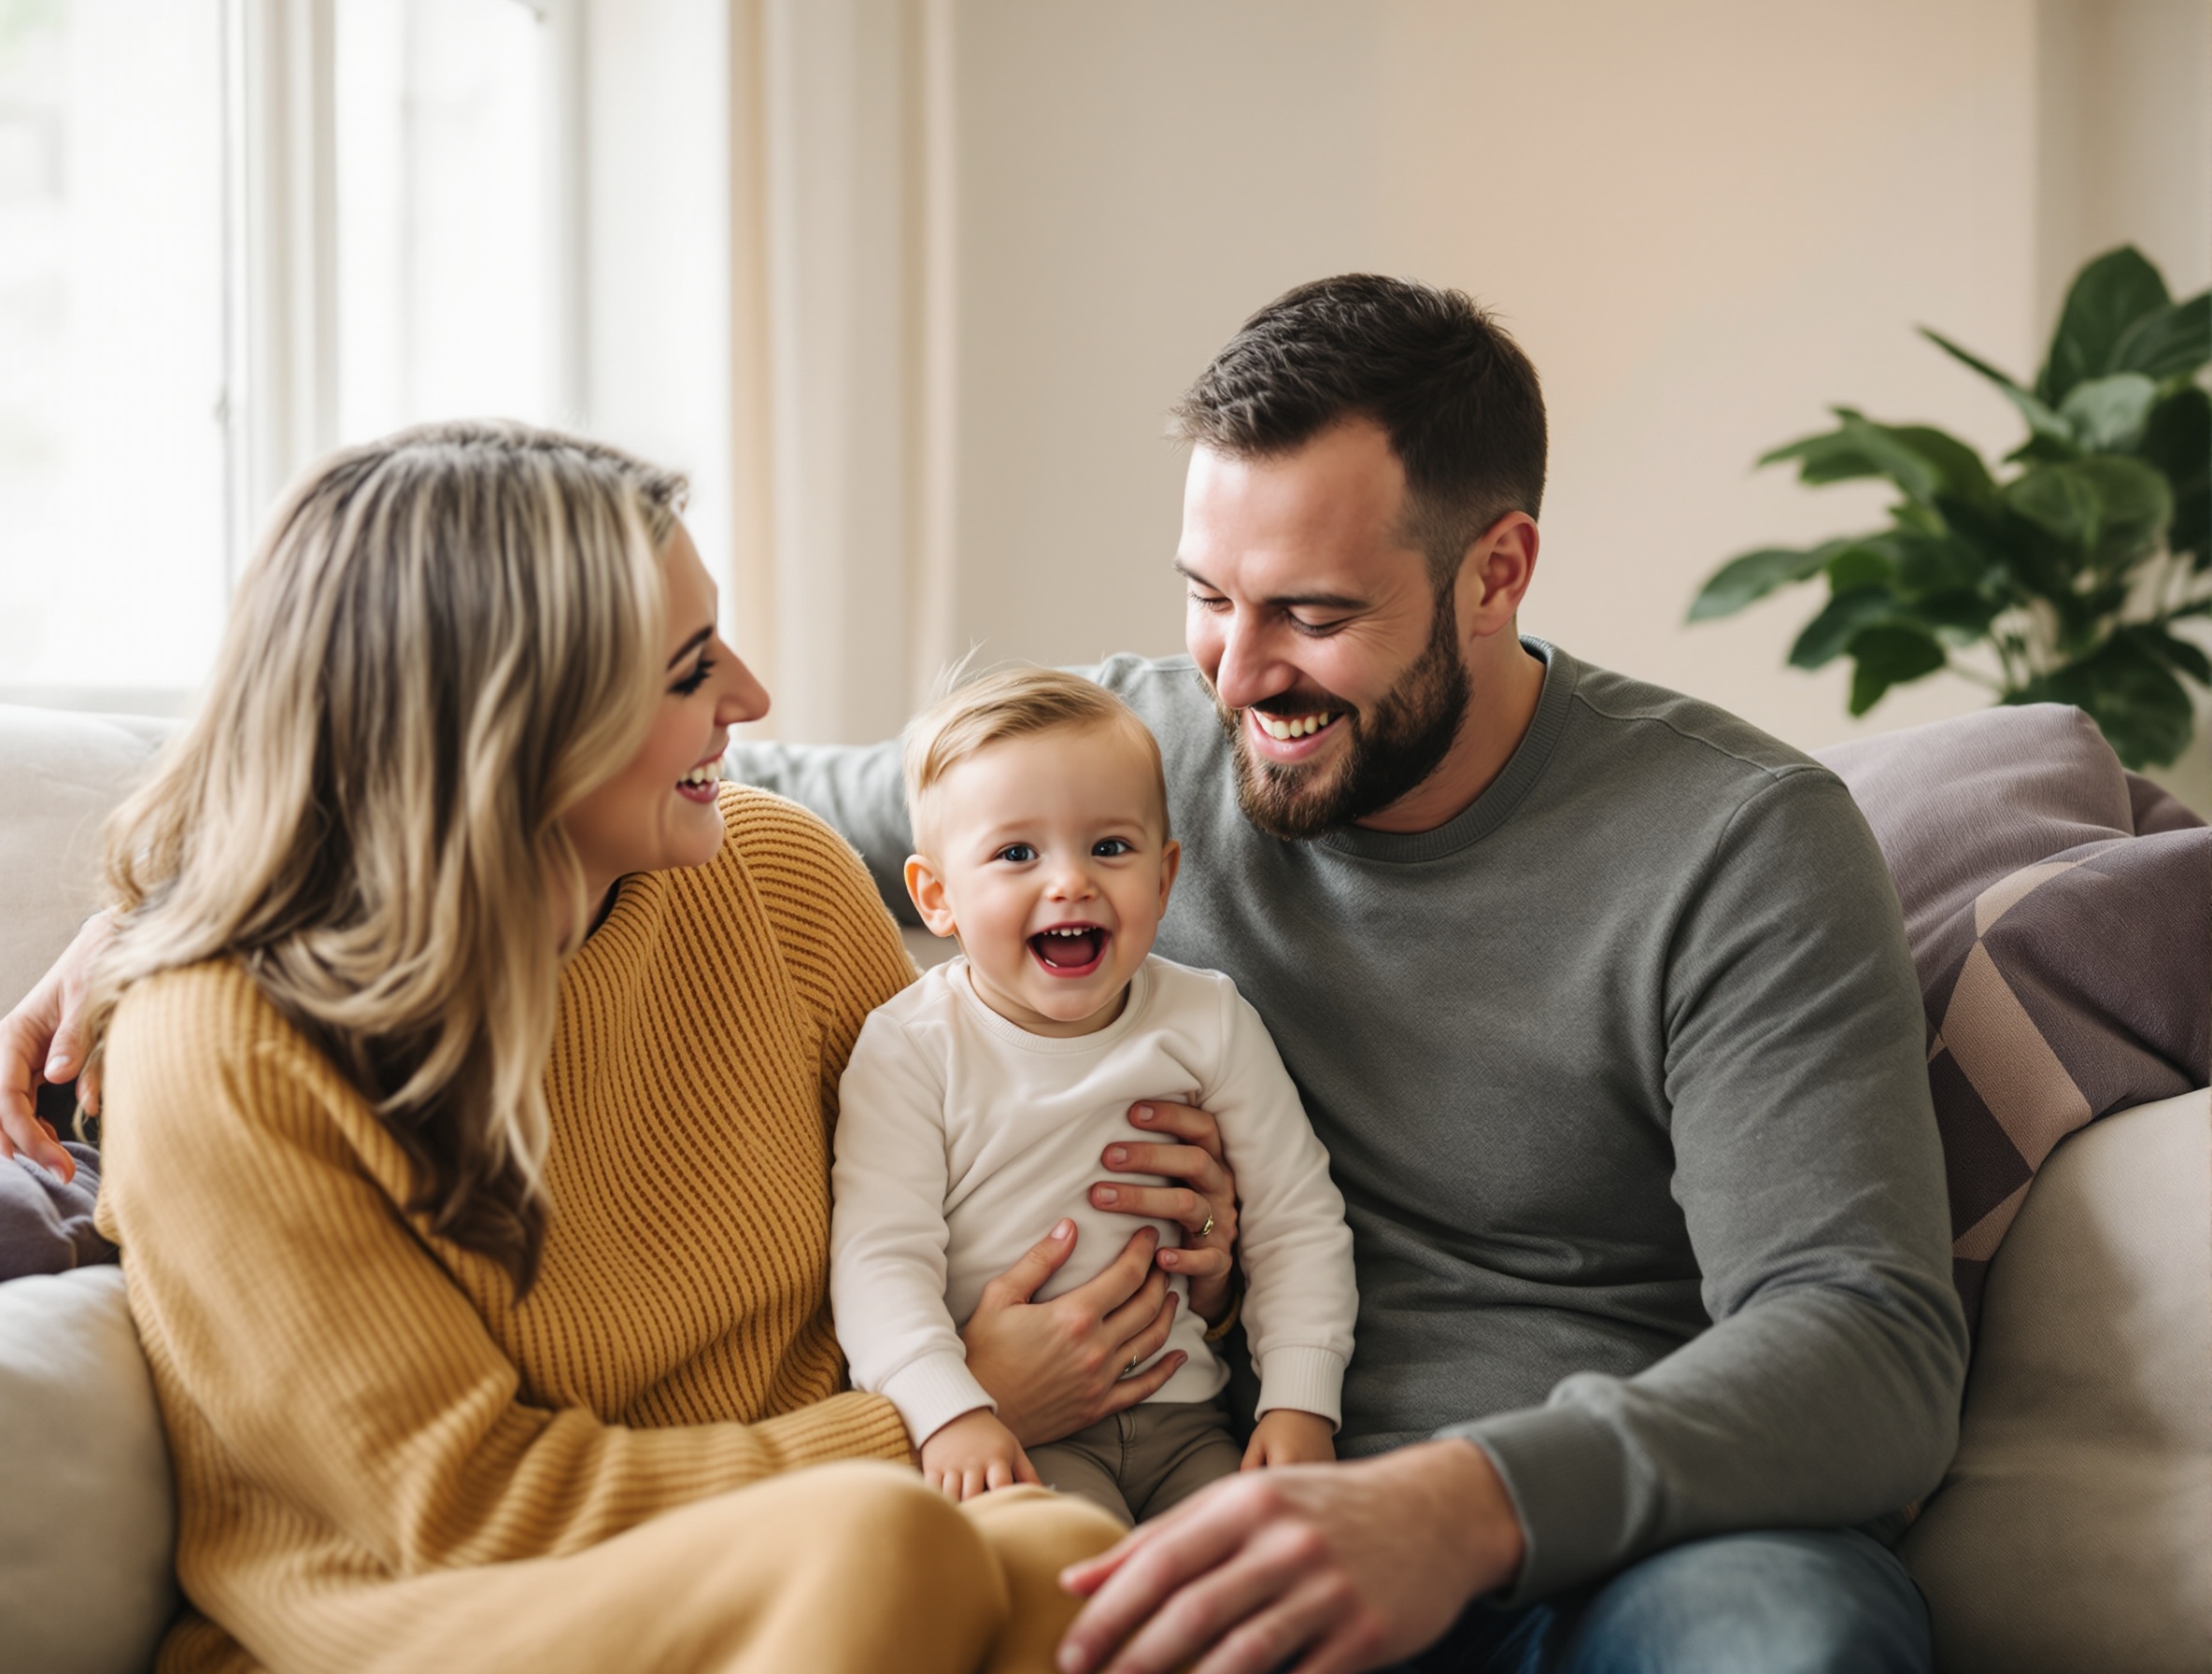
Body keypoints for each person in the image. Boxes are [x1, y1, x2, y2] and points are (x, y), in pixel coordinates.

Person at [700, 277, 1970, 1672]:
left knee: (1792, 1645)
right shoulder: (1124, 772)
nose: (1239, 676)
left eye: (1311, 613)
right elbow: (728, 789)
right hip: (1215, 1510)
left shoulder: (1736, 846)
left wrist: (1463, 1503)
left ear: (1496, 573)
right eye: (1206, 597)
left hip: (1620, 1548)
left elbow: (1870, 1346)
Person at [39, 421, 1178, 1674]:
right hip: (427, 1619)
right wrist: (915, 1428)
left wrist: (1174, 1238)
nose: (751, 696)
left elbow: (963, 1215)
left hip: (824, 1555)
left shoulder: (779, 876)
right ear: (513, 726)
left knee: (1053, 1553)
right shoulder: (225, 1045)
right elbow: (461, 1513)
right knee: (887, 1544)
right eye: (691, 669)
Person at [830, 666, 1357, 1523]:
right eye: (1015, 854)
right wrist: (948, 1411)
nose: (1070, 881)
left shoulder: (1208, 1021)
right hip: (1021, 1436)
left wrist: (1300, 1400)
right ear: (936, 897)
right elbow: (878, 1261)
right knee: (1082, 1595)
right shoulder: (912, 1048)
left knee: (1260, 1579)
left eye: (1109, 847)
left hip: (1189, 1422)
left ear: (1164, 874)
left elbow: (1295, 1219)